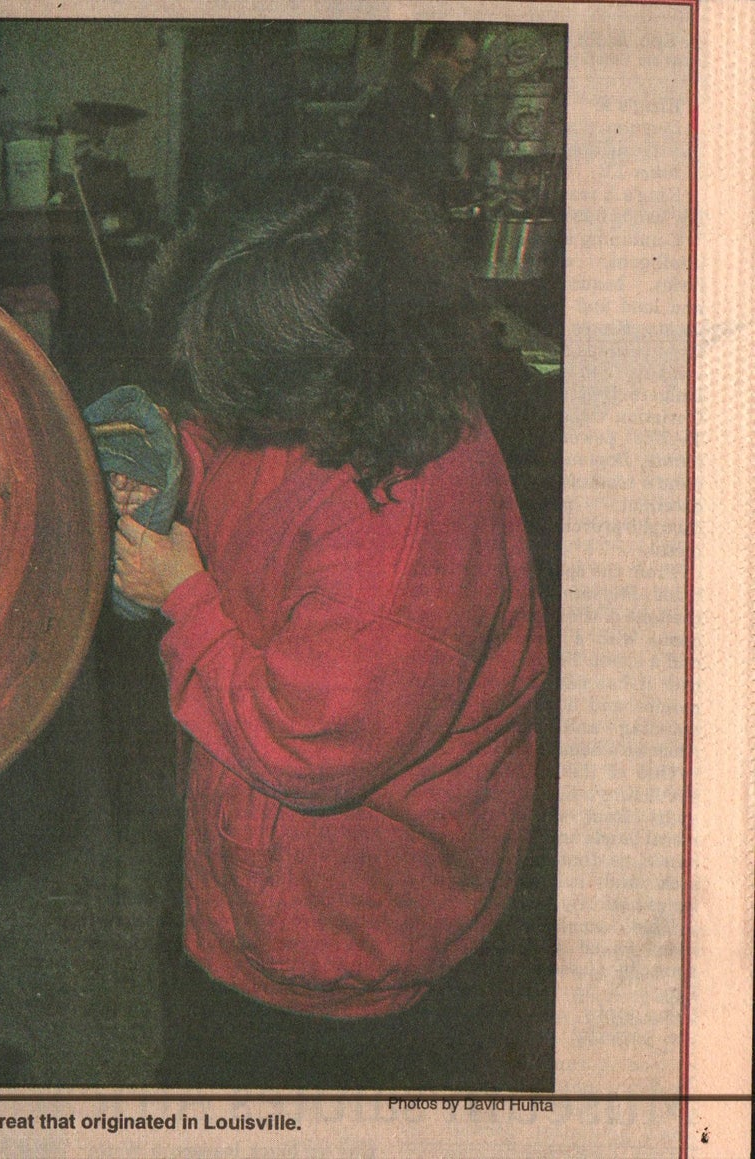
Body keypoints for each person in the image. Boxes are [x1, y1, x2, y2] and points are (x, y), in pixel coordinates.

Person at [109, 155, 547, 1088]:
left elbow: (306, 738)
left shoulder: (404, 553)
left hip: (345, 930)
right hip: (254, 857)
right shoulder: (357, 377)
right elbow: (242, 439)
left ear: (315, 377)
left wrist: (183, 596)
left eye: (239, 386)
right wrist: (174, 460)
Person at [352, 24, 480, 209]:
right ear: (436, 55)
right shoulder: (389, 102)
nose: (467, 70)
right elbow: (373, 171)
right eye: (461, 62)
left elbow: (444, 163)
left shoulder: (444, 104)